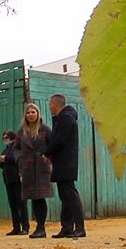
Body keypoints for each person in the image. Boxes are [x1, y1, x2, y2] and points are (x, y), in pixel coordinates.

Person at [44, 93, 85, 238]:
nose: (49, 107)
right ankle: (67, 227)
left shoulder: (66, 118)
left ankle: (79, 227)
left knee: (70, 194)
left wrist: (47, 153)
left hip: (65, 162)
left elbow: (59, 140)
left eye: (50, 104)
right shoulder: (62, 118)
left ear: (55, 104)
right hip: (62, 162)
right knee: (65, 195)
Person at [16, 102, 52, 239]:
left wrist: (47, 156)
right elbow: (15, 149)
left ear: (38, 114)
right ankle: (38, 228)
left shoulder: (45, 129)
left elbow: (52, 145)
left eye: (33, 112)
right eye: (28, 112)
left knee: (40, 198)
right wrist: (20, 159)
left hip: (41, 168)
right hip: (27, 169)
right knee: (33, 199)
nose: (31, 115)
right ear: (25, 115)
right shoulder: (21, 131)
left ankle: (41, 228)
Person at [0, 129, 28, 236]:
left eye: (6, 137)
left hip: (17, 179)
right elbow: (2, 165)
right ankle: (16, 227)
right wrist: (1, 160)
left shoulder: (17, 147)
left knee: (21, 204)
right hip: (8, 180)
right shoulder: (5, 150)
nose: (5, 140)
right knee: (13, 205)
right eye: (3, 138)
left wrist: (6, 158)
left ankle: (25, 227)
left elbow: (18, 158)